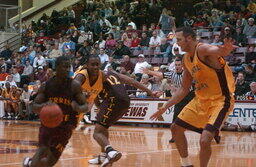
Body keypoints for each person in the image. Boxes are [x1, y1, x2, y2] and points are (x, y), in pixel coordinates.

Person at [150, 27, 236, 167]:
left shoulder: (201, 49)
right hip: (200, 100)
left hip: (220, 100)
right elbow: (184, 89)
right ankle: (186, 164)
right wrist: (165, 106)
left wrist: (225, 49)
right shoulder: (185, 59)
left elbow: (218, 51)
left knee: (205, 140)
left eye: (179, 40)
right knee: (175, 128)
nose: (177, 44)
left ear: (189, 38)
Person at [74, 55, 155, 167]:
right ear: (86, 65)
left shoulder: (99, 76)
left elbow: (89, 93)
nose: (95, 67)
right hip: (125, 101)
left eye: (97, 64)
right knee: (103, 127)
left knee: (97, 132)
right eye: (93, 64)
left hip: (113, 100)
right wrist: (150, 92)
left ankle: (110, 152)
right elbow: (131, 81)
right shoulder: (107, 74)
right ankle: (102, 157)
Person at [23, 56, 87, 167]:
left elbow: (85, 106)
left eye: (69, 67)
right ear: (57, 68)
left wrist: (77, 107)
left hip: (66, 126)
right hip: (48, 124)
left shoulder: (74, 86)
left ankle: (29, 163)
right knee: (43, 149)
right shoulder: (46, 85)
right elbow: (34, 106)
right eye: (65, 67)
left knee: (50, 162)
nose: (68, 70)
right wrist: (44, 106)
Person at [142, 56, 195, 143]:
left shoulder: (187, 73)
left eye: (179, 65)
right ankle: (174, 137)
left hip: (190, 96)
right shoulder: (172, 74)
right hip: (179, 97)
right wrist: (149, 72)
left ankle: (211, 132)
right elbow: (161, 74)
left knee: (198, 118)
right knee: (175, 120)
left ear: (182, 66)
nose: (177, 66)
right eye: (176, 65)